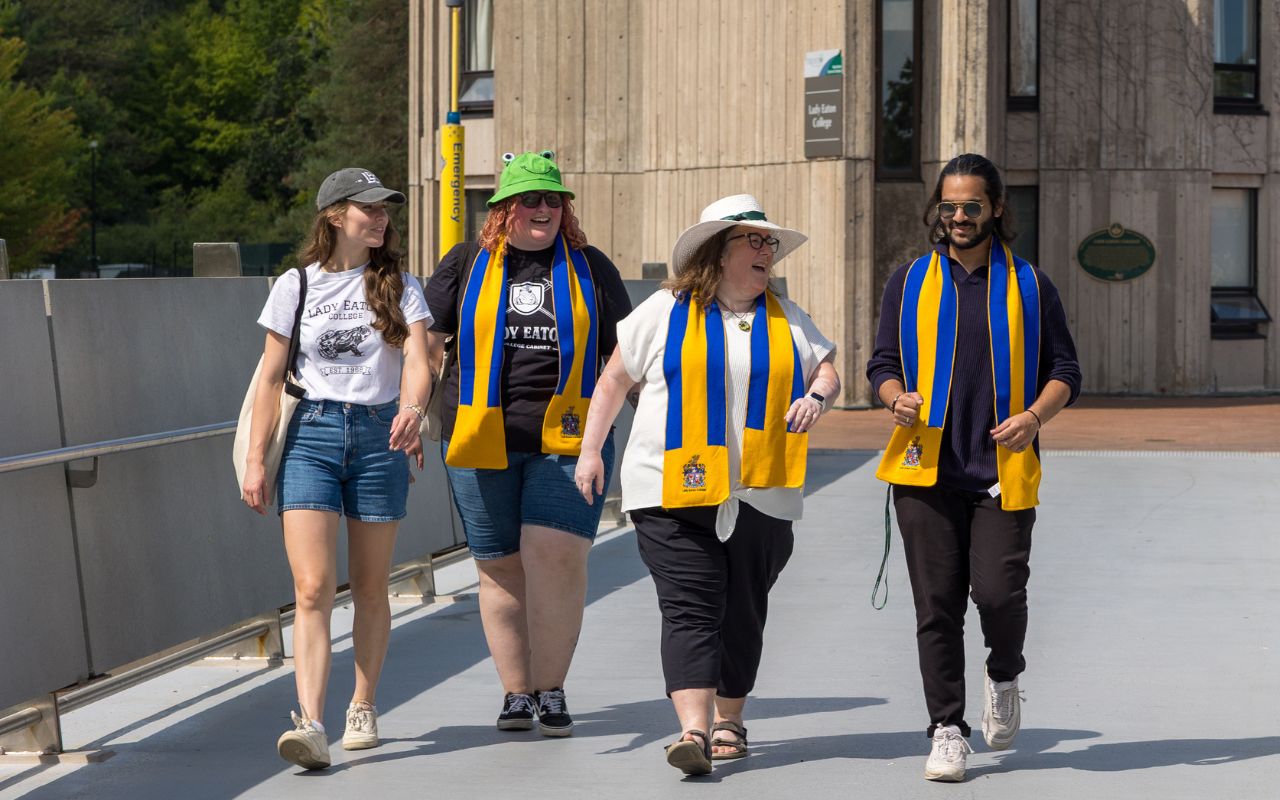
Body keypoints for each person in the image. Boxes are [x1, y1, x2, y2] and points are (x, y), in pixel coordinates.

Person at [574, 194, 841, 776]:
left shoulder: (787, 316)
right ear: (718, 251)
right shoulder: (665, 310)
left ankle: (730, 719)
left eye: (770, 242)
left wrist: (816, 397)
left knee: (743, 609)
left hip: (760, 490)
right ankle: (693, 730)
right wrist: (590, 450)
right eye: (755, 240)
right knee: (691, 607)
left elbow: (825, 367)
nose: (766, 250)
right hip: (669, 488)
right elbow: (615, 378)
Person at [866, 153, 1081, 782]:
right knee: (936, 606)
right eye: (950, 206)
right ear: (938, 209)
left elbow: (1066, 372)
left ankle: (1004, 673)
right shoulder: (907, 281)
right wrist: (893, 397)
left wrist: (1034, 418)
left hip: (1000, 469)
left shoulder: (1031, 285)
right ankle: (947, 729)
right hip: (924, 472)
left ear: (996, 210)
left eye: (972, 206)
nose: (959, 217)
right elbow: (882, 364)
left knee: (997, 594)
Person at [424, 150, 632, 736]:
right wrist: (411, 408)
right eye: (529, 200)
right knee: (499, 568)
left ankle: (552, 688)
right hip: (480, 437)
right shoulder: (466, 263)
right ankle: (517, 693)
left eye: (553, 199)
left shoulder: (591, 267)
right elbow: (427, 339)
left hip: (571, 441)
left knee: (557, 560)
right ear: (503, 209)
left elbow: (627, 351)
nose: (543, 209)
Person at [241, 168, 432, 770]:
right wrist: (254, 459)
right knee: (313, 588)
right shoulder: (294, 286)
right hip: (312, 437)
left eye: (384, 210)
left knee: (371, 586)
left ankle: (363, 704)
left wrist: (413, 407)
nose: (379, 219)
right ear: (333, 215)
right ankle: (313, 723)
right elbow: (271, 378)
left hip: (380, 436)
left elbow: (420, 362)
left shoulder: (400, 285)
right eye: (366, 209)